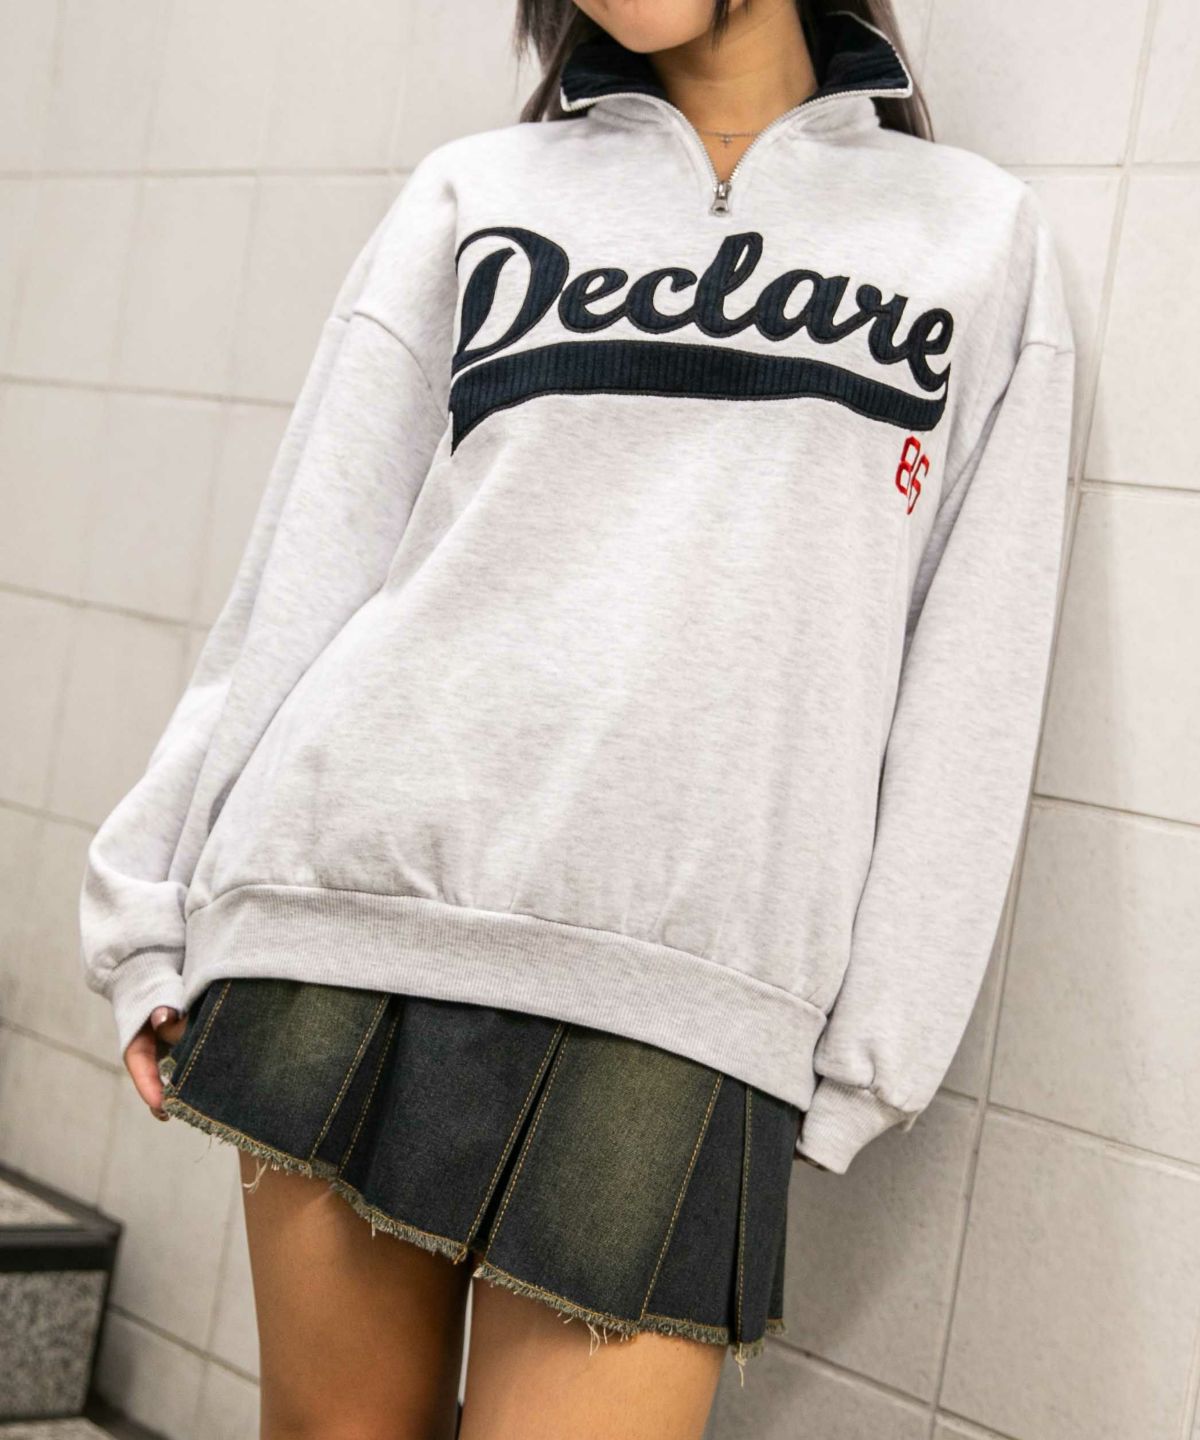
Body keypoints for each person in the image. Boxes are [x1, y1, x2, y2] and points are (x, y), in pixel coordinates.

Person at [77, 1, 1076, 1436]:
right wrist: (151, 902)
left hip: (685, 993)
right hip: (346, 917)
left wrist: (878, 1046)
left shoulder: (977, 238)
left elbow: (977, 661)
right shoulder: (478, 192)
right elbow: (312, 555)